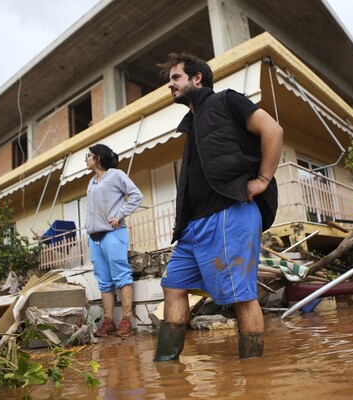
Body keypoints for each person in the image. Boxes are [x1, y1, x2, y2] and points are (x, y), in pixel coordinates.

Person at [154, 52, 283, 360]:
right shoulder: (192, 123)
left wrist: (263, 179)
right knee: (173, 286)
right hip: (194, 226)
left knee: (241, 297)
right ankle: (167, 368)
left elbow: (273, 130)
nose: (170, 85)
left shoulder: (227, 101)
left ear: (197, 78)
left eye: (176, 78)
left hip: (228, 213)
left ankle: (254, 378)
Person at [85, 144, 143, 337]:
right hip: (95, 238)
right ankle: (108, 321)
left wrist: (120, 214)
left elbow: (136, 195)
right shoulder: (91, 182)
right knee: (104, 281)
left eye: (89, 156)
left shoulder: (116, 175)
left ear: (98, 158)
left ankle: (126, 321)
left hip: (113, 234)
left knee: (121, 276)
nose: (86, 159)